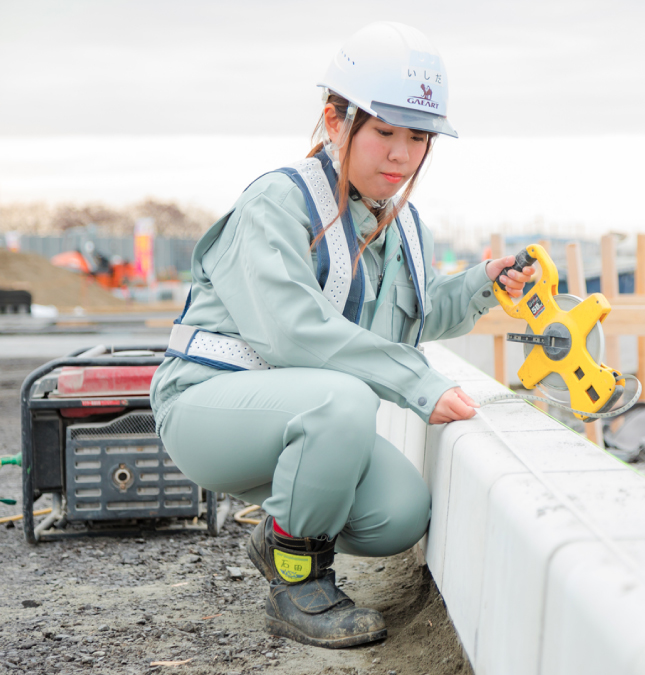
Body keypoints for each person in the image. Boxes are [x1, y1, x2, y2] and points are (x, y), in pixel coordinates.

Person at [149, 22, 536, 650]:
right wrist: (418, 382)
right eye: (384, 131)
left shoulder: (405, 227)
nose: (401, 155)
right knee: (343, 398)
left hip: (299, 414)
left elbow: (411, 316)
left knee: (398, 515)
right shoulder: (279, 203)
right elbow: (292, 333)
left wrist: (481, 285)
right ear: (335, 121)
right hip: (206, 404)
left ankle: (280, 529)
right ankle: (297, 576)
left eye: (418, 137)